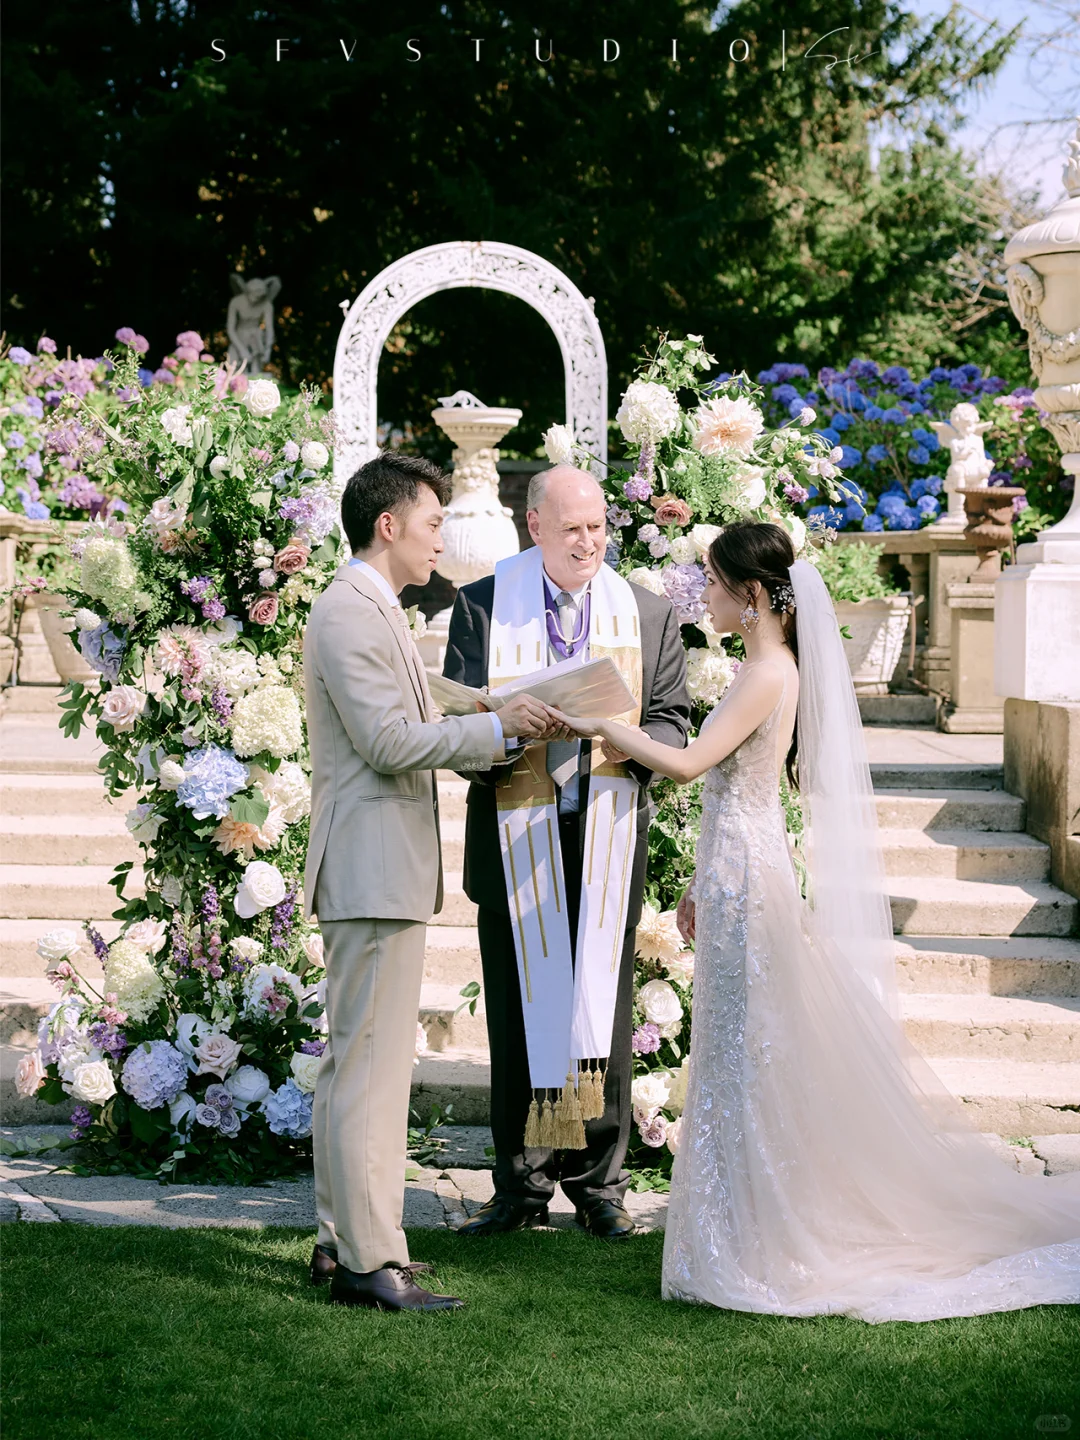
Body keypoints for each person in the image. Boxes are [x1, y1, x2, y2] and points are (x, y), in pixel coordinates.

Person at [552, 520, 1080, 1320]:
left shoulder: (768, 673)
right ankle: (737, 1226)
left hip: (749, 884)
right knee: (736, 1051)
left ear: (756, 597)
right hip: (732, 874)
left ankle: (759, 1235)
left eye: (720, 585)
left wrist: (600, 723)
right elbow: (729, 793)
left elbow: (694, 765)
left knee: (747, 1054)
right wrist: (696, 884)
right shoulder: (761, 666)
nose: (710, 596)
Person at [303, 452, 559, 1311]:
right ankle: (374, 1262)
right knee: (372, 1075)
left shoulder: (371, 605)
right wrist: (492, 734)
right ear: (390, 525)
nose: (440, 536)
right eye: (433, 521)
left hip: (378, 867)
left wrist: (492, 705)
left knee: (356, 1069)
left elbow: (421, 691)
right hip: (373, 870)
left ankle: (343, 1246)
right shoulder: (349, 610)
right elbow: (387, 739)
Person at [444, 465, 690, 1240]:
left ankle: (599, 1184)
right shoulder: (483, 606)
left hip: (606, 834)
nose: (588, 542)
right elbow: (454, 728)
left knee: (601, 1010)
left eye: (597, 527)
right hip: (516, 837)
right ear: (534, 525)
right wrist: (509, 730)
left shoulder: (646, 615)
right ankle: (518, 1186)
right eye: (572, 527)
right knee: (518, 1016)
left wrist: (618, 734)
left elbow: (677, 726)